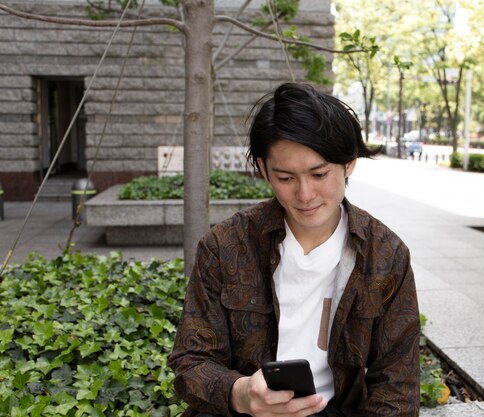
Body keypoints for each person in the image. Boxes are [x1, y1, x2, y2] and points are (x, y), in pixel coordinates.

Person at [168, 83, 420, 416]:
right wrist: (239, 393)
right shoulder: (225, 246)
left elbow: (397, 389)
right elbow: (191, 362)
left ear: (349, 164)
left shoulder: (385, 256)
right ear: (263, 168)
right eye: (285, 178)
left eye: (319, 174)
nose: (305, 194)